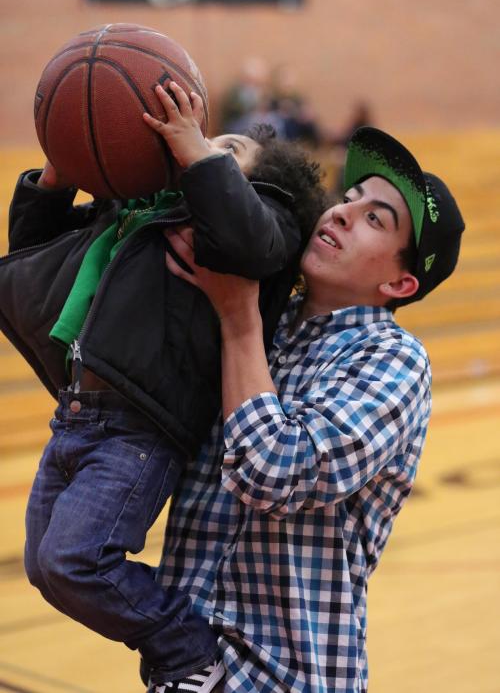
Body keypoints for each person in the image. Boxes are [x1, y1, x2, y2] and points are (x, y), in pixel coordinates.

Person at [0, 81, 325, 693]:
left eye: (226, 149)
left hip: (140, 429)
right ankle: (177, 642)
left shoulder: (257, 228)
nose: (201, 147)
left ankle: (187, 650)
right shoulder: (135, 215)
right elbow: (34, 250)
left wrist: (197, 152)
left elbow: (247, 231)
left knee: (76, 561)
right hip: (75, 414)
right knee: (47, 567)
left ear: (258, 187)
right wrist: (57, 171)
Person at [154, 126, 465, 692]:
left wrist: (238, 318)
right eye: (349, 198)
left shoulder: (393, 359)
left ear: (401, 281)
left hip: (288, 678)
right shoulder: (268, 317)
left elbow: (275, 470)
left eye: (376, 218)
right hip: (186, 671)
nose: (343, 213)